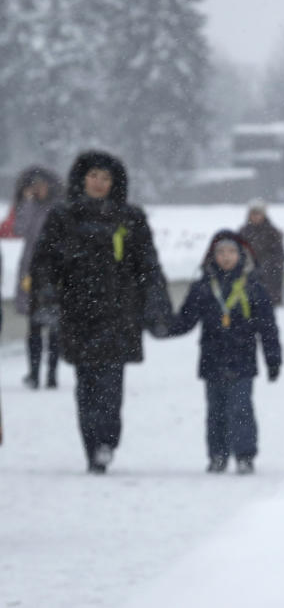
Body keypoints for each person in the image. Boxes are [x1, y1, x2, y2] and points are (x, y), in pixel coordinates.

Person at [30, 151, 171, 474]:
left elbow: (147, 265)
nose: (98, 183)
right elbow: (44, 264)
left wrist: (156, 305)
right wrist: (48, 300)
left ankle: (107, 441)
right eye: (93, 175)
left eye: (105, 178)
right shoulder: (63, 217)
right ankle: (93, 448)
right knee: (86, 386)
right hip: (78, 314)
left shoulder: (130, 217)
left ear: (114, 183)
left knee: (110, 386)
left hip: (119, 314)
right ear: (82, 178)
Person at [165, 230, 282, 475]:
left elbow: (268, 328)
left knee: (241, 408)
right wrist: (161, 326)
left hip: (243, 359)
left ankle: (244, 455)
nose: (226, 257)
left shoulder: (253, 287)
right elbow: (186, 321)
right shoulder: (203, 287)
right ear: (212, 256)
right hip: (212, 358)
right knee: (215, 411)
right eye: (220, 252)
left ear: (241, 256)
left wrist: (273, 359)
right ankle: (217, 455)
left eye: (231, 252)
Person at [14, 166, 64, 389]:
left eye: (41, 184)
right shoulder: (31, 207)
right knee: (33, 325)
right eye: (34, 185)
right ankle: (34, 374)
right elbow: (19, 229)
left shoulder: (58, 208)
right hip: (30, 272)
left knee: (54, 325)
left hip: (54, 272)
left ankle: (52, 374)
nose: (38, 189)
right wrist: (26, 203)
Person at [239, 199, 284, 306]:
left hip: (268, 280)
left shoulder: (272, 232)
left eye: (258, 213)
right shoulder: (243, 232)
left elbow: (280, 256)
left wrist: (266, 266)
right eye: (253, 213)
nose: (255, 216)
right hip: (247, 279)